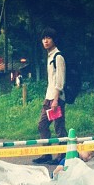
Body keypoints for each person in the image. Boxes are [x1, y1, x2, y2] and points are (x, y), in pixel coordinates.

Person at [32, 28, 67, 165]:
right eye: (43, 38)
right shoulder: (50, 56)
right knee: (42, 125)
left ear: (54, 40)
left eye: (48, 38)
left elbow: (60, 80)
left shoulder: (58, 57)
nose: (45, 41)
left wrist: (56, 100)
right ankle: (46, 154)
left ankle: (62, 156)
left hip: (56, 98)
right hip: (49, 97)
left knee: (59, 127)